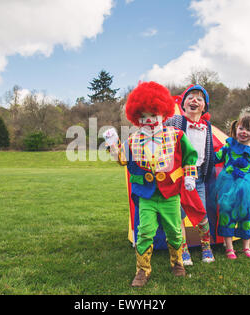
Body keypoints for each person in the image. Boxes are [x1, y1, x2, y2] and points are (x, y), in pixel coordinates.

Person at [104, 81, 206, 287]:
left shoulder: (176, 135)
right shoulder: (133, 140)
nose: (148, 119)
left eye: (153, 113)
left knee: (175, 231)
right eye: (143, 115)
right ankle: (142, 271)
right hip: (146, 195)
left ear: (163, 112)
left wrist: (189, 176)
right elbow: (122, 159)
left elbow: (190, 157)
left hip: (170, 194)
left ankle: (177, 263)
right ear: (136, 117)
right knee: (145, 231)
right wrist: (112, 145)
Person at [211, 113, 250, 259]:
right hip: (228, 188)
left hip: (248, 191)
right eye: (241, 128)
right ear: (236, 128)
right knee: (227, 216)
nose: (244, 132)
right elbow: (216, 158)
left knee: (247, 217)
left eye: (249, 129)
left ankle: (246, 247)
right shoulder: (229, 146)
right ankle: (229, 248)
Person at [165, 85, 216, 264]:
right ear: (183, 104)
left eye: (199, 98)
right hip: (177, 179)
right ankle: (183, 250)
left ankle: (206, 247)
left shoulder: (207, 126)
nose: (194, 100)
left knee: (201, 214)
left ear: (204, 107)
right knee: (178, 215)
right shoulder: (175, 121)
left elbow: (208, 150)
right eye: (191, 97)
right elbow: (157, 125)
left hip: (199, 178)